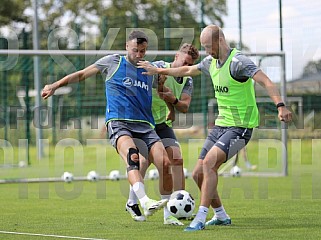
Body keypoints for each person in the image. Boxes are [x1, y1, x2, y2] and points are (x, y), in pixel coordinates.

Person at [137, 25, 292, 231]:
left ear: (219, 41)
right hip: (221, 125)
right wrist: (159, 70)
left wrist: (280, 105)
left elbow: (265, 81)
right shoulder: (210, 62)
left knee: (209, 164)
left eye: (208, 46)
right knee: (198, 174)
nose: (206, 51)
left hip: (241, 126)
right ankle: (220, 215)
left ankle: (200, 218)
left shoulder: (239, 62)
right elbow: (187, 70)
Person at [42, 30, 171, 220]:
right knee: (132, 156)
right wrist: (54, 86)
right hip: (119, 122)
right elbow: (82, 74)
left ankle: (168, 215)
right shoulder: (112, 62)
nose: (139, 55)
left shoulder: (148, 69)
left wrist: (161, 81)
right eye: (135, 50)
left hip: (145, 125)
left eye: (143, 51)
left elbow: (161, 91)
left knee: (166, 163)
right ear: (127, 46)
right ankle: (144, 201)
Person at [125, 43, 200, 225]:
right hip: (146, 122)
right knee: (145, 161)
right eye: (184, 62)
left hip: (163, 124)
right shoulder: (157, 67)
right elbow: (150, 88)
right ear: (176, 57)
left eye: (189, 65)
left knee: (177, 159)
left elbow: (184, 106)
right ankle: (132, 202)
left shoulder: (187, 80)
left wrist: (171, 103)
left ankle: (176, 207)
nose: (185, 67)